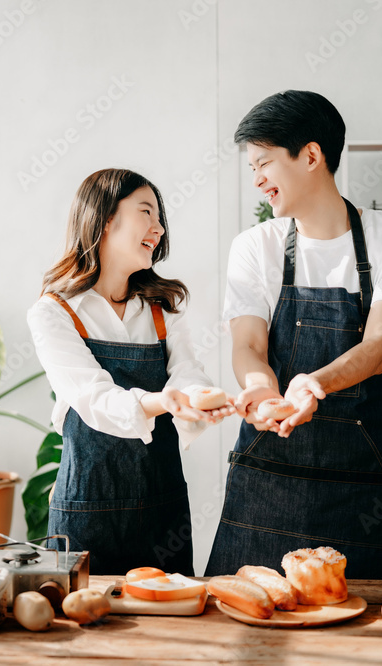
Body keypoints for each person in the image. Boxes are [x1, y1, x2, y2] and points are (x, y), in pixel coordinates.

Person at [205, 91, 382, 579]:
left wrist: (312, 385)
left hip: (360, 494)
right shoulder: (253, 247)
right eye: (252, 168)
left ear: (311, 156)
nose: (257, 179)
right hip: (264, 486)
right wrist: (263, 392)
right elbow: (247, 345)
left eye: (263, 163)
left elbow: (375, 350)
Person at [28, 168, 233, 576]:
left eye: (159, 219)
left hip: (163, 509)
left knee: (170, 623)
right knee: (82, 626)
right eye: (146, 212)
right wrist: (163, 401)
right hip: (85, 510)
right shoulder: (55, 312)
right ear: (104, 220)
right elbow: (93, 397)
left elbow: (188, 372)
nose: (158, 229)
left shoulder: (161, 308)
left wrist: (192, 400)